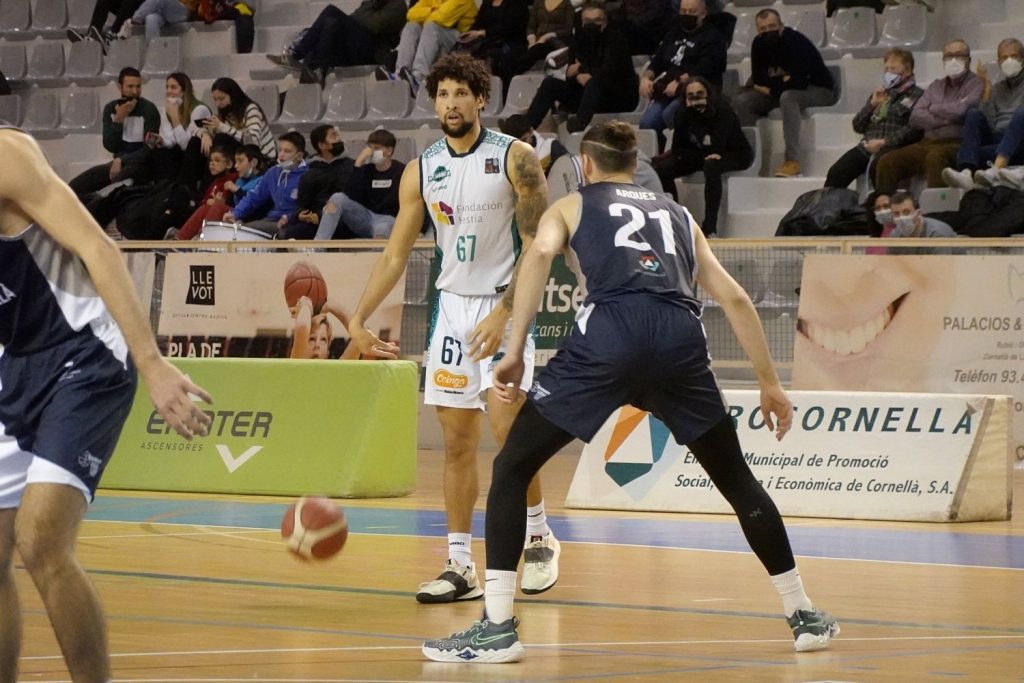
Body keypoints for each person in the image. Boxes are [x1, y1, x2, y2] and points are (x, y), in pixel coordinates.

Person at [421, 121, 839, 663]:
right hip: (679, 340)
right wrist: (770, 383)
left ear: (586, 166)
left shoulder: (572, 205)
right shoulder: (680, 215)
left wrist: (514, 346)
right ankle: (802, 613)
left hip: (609, 337)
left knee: (513, 468)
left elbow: (539, 256)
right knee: (737, 480)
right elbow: (735, 299)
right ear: (635, 164)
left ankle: (498, 627)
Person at [0, 125, 212, 683]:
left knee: (40, 539)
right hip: (10, 367)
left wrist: (152, 362)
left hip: (83, 351)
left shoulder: (7, 156)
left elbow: (97, 245)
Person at [347, 53, 560, 603]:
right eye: (442, 94)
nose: (450, 104)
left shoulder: (517, 158)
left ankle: (539, 537)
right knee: (457, 444)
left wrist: (506, 312)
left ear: (481, 99)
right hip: (452, 311)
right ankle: (460, 563)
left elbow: (540, 246)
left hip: (503, 306)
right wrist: (358, 316)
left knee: (509, 433)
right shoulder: (421, 169)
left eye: (461, 94)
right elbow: (396, 254)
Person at [732, 9, 836, 178]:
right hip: (781, 91)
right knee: (743, 101)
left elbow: (799, 82)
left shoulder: (795, 42)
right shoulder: (758, 44)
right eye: (763, 28)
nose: (767, 31)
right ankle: (750, 157)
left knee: (788, 97)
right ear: (758, 30)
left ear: (781, 26)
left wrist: (771, 86)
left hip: (819, 90)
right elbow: (759, 80)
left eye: (772, 26)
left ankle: (792, 161)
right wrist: (782, 81)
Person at [875, 39, 983, 194]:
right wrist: (948, 118)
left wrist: (933, 108)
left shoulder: (976, 84)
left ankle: (938, 212)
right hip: (926, 142)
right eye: (948, 56)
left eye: (959, 55)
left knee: (935, 158)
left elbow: (963, 110)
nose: (953, 60)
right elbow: (916, 116)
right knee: (887, 161)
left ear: (969, 60)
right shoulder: (935, 86)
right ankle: (886, 208)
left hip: (955, 143)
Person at [651, 77, 752, 235]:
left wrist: (702, 116)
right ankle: (676, 222)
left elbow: (718, 144)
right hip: (701, 153)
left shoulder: (723, 110)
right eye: (690, 95)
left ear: (708, 94)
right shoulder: (683, 113)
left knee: (711, 166)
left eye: (700, 93)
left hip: (733, 152)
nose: (696, 98)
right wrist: (692, 115)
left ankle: (709, 228)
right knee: (663, 169)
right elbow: (679, 148)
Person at [526, 2, 639, 134]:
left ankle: (579, 124)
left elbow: (609, 72)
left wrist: (581, 69)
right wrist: (580, 75)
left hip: (615, 96)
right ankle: (526, 127)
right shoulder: (579, 39)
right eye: (587, 21)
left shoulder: (616, 39)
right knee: (550, 84)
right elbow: (569, 72)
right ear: (581, 21)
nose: (592, 24)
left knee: (595, 82)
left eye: (597, 20)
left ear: (606, 21)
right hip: (586, 93)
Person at [824, 49, 924, 190]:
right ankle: (829, 209)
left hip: (894, 147)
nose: (889, 72)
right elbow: (857, 125)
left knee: (879, 169)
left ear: (907, 71)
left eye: (893, 68)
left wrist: (885, 142)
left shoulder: (918, 95)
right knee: (837, 172)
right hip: (867, 147)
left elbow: (914, 128)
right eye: (887, 69)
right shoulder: (880, 94)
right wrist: (872, 105)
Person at [638, 0, 728, 149]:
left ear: (703, 14)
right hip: (669, 90)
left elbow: (706, 67)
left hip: (699, 90)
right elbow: (658, 61)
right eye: (683, 11)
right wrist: (646, 77)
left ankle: (685, 151)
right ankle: (656, 158)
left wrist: (681, 81)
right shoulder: (673, 33)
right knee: (647, 123)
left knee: (670, 114)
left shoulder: (713, 37)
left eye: (692, 12)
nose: (687, 15)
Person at [941, 38, 1024, 190]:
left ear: (1022, 59)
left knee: (1022, 113)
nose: (1009, 61)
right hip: (998, 141)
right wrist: (986, 88)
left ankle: (997, 169)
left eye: (1014, 56)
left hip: (1020, 141)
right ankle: (966, 172)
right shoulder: (998, 89)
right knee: (973, 114)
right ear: (999, 62)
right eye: (1004, 57)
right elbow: (990, 123)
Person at [68, 67, 161, 197]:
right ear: (120, 87)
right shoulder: (110, 109)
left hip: (141, 165)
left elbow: (149, 148)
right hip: (116, 164)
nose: (135, 91)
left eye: (138, 87)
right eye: (130, 86)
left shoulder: (149, 110)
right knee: (75, 187)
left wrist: (121, 160)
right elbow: (109, 145)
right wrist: (119, 120)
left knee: (114, 187)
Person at [267, 0, 407, 83]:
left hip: (370, 50)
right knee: (331, 23)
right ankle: (317, 71)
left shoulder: (399, 6)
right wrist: (350, 21)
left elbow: (373, 25)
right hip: (353, 46)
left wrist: (350, 21)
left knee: (331, 11)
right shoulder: (372, 2)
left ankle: (296, 55)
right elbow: (356, 18)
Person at [315, 128, 405, 240]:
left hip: (389, 219)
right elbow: (351, 195)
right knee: (337, 198)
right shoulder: (366, 170)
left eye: (376, 148)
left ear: (389, 151)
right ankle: (318, 246)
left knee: (382, 230)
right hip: (366, 216)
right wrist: (358, 164)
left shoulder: (402, 171)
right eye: (370, 148)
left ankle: (374, 257)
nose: (371, 152)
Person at [224, 131, 308, 237]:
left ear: (299, 155)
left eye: (287, 151)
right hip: (273, 219)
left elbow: (308, 207)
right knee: (238, 228)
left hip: (294, 222)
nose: (281, 155)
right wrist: (235, 213)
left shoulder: (307, 176)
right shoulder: (273, 172)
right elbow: (254, 197)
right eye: (280, 150)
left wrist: (289, 217)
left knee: (247, 231)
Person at [384, 0, 478, 95]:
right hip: (439, 35)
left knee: (431, 27)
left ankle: (418, 78)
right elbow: (410, 14)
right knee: (411, 26)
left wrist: (425, 13)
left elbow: (441, 18)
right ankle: (399, 73)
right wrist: (432, 10)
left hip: (462, 40)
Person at [282, 125, 355, 239]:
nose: (339, 139)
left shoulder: (352, 167)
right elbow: (302, 205)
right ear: (322, 146)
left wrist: (321, 215)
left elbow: (353, 198)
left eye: (337, 135)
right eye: (333, 135)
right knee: (292, 233)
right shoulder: (309, 173)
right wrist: (300, 215)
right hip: (316, 222)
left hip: (345, 219)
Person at [168, 142, 238, 240]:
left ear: (229, 164)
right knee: (203, 208)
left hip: (228, 213)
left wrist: (219, 202)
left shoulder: (233, 179)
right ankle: (180, 239)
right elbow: (204, 200)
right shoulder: (215, 182)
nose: (212, 164)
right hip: (211, 210)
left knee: (213, 207)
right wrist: (208, 202)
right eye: (211, 160)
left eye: (217, 161)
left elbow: (230, 200)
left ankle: (201, 238)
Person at [513, 0, 574, 75]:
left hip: (556, 41)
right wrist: (532, 40)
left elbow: (568, 30)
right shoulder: (538, 2)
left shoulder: (567, 4)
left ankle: (513, 72)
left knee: (537, 50)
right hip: (537, 40)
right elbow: (531, 26)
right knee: (516, 51)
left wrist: (547, 36)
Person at [498, 114, 568, 175]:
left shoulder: (551, 148)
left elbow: (570, 171)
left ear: (531, 131)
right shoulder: (502, 155)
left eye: (524, 140)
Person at [888, 189, 956, 242]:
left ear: (918, 213)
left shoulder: (937, 234)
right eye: (896, 214)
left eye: (906, 212)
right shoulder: (895, 235)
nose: (901, 217)